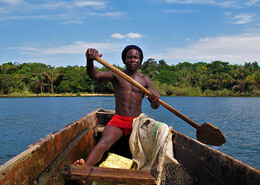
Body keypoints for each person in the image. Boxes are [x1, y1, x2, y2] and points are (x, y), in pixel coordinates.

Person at [74, 45, 160, 167]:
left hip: (137, 121)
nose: (132, 60)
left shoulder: (145, 80)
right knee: (104, 143)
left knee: (155, 143)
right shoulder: (117, 75)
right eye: (129, 57)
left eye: (136, 57)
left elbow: (154, 106)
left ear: (140, 60)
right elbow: (95, 75)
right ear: (124, 60)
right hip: (119, 119)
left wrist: (155, 98)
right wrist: (89, 60)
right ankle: (83, 172)